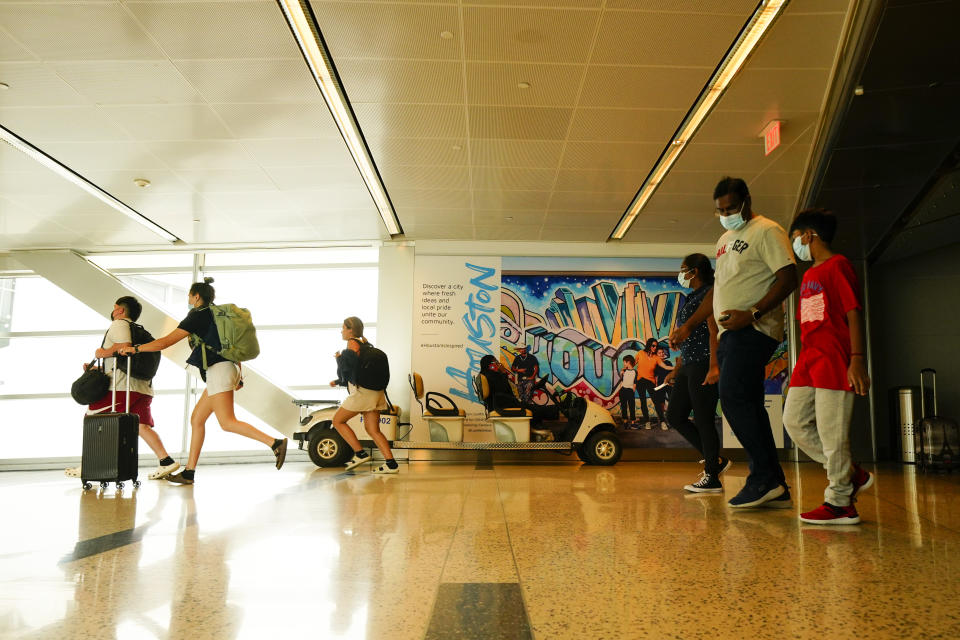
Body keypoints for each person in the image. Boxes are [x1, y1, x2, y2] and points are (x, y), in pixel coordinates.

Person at [672, 176, 798, 508]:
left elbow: (788, 276)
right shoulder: (725, 239)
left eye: (731, 207)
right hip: (731, 335)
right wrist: (689, 326)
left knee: (732, 398)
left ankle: (763, 478)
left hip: (754, 330)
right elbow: (718, 290)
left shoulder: (767, 231)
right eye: (720, 210)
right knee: (750, 405)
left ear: (746, 201)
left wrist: (753, 313)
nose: (726, 213)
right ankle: (775, 484)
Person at [119, 279, 287, 485]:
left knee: (227, 422)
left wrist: (134, 349)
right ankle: (189, 472)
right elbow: (230, 346)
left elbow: (165, 342)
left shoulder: (197, 316)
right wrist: (238, 374)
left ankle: (275, 443)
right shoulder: (217, 315)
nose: (188, 300)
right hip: (228, 368)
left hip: (219, 371)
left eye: (189, 296)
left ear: (196, 296)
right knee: (197, 419)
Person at [782, 209, 873, 524]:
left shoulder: (839, 266)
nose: (796, 245)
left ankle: (840, 502)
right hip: (808, 359)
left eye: (795, 238)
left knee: (832, 435)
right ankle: (850, 472)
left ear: (808, 235)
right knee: (793, 421)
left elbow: (852, 313)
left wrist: (858, 359)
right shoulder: (808, 274)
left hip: (835, 358)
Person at [66, 296, 179, 481]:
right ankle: (165, 461)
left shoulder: (119, 324)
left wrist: (100, 353)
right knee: (142, 426)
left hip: (121, 388)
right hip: (142, 388)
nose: (113, 310)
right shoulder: (141, 332)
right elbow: (123, 358)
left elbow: (123, 348)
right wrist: (98, 368)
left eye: (114, 307)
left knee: (93, 419)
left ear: (120, 310)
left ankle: (89, 465)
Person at [664, 254, 729, 492]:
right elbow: (689, 337)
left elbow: (713, 332)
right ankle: (715, 460)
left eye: (683, 270)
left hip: (704, 363)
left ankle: (712, 476)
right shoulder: (691, 297)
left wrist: (714, 366)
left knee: (703, 419)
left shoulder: (710, 294)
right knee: (675, 415)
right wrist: (677, 368)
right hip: (689, 364)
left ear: (695, 271)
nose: (680, 275)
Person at [330, 317, 398, 474]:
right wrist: (338, 382)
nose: (341, 331)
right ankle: (391, 463)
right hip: (377, 392)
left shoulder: (352, 344)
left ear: (350, 330)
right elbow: (359, 371)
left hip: (364, 393)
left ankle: (360, 453)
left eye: (343, 328)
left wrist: (339, 360)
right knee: (373, 429)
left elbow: (347, 370)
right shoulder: (366, 343)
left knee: (338, 421)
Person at [635, 338, 671, 429]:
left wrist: (677, 368)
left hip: (650, 381)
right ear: (649, 345)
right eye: (653, 345)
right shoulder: (640, 353)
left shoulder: (656, 357)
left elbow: (665, 367)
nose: (655, 347)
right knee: (643, 402)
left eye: (656, 346)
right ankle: (647, 422)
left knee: (657, 402)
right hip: (640, 380)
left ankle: (662, 421)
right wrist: (624, 369)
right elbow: (633, 363)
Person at [619, 355, 638, 428]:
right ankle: (625, 422)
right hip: (623, 390)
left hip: (630, 391)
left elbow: (635, 382)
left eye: (624, 362)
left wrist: (633, 390)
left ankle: (633, 423)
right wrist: (620, 389)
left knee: (632, 407)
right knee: (623, 407)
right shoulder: (623, 371)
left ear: (628, 362)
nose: (624, 363)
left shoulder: (635, 372)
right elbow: (622, 381)